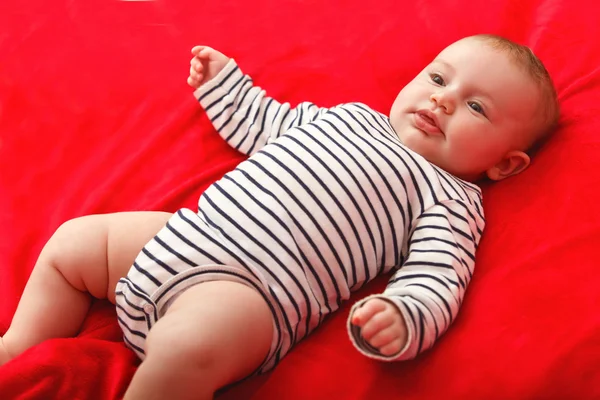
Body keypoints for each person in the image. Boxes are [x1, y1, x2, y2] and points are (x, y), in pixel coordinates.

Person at [0, 34, 559, 399]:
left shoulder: (451, 198)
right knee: (75, 243)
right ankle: (19, 342)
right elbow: (263, 122)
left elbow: (439, 278)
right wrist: (225, 84)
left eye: (477, 107)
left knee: (185, 349)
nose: (442, 101)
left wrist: (403, 314)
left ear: (506, 165)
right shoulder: (352, 118)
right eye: (439, 80)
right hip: (185, 233)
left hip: (251, 293)